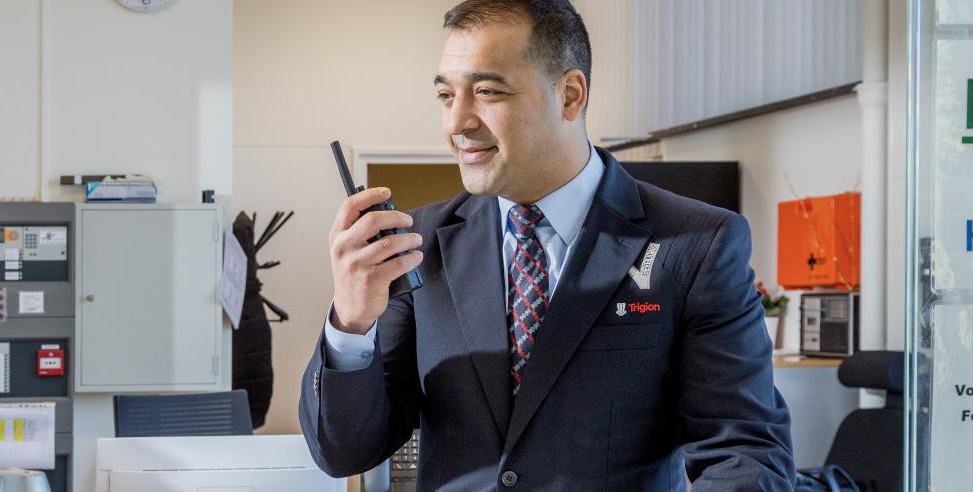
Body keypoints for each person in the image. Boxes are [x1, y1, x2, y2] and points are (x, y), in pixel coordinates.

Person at [297, 0, 795, 489]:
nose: (456, 123)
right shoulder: (419, 246)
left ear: (570, 95)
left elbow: (746, 453)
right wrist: (352, 323)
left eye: (487, 92)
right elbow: (346, 452)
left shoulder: (695, 245)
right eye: (446, 96)